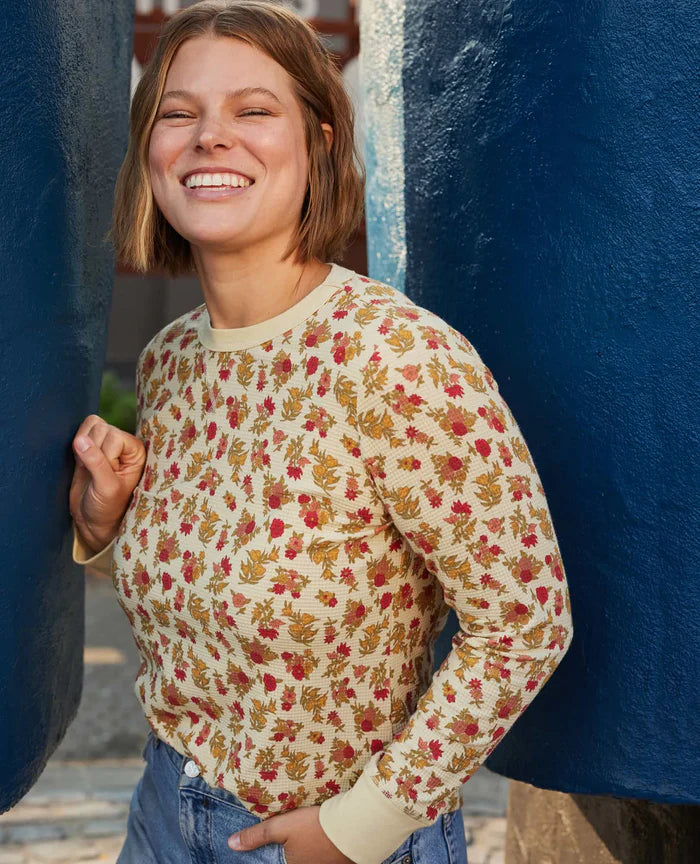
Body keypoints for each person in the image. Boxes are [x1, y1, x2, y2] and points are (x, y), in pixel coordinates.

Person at [69, 2, 574, 863]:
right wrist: (104, 527)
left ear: (321, 144)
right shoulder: (169, 361)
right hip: (164, 815)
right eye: (178, 113)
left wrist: (364, 823)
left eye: (254, 110)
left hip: (330, 834)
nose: (210, 136)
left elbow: (527, 624)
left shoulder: (398, 359)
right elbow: (221, 601)